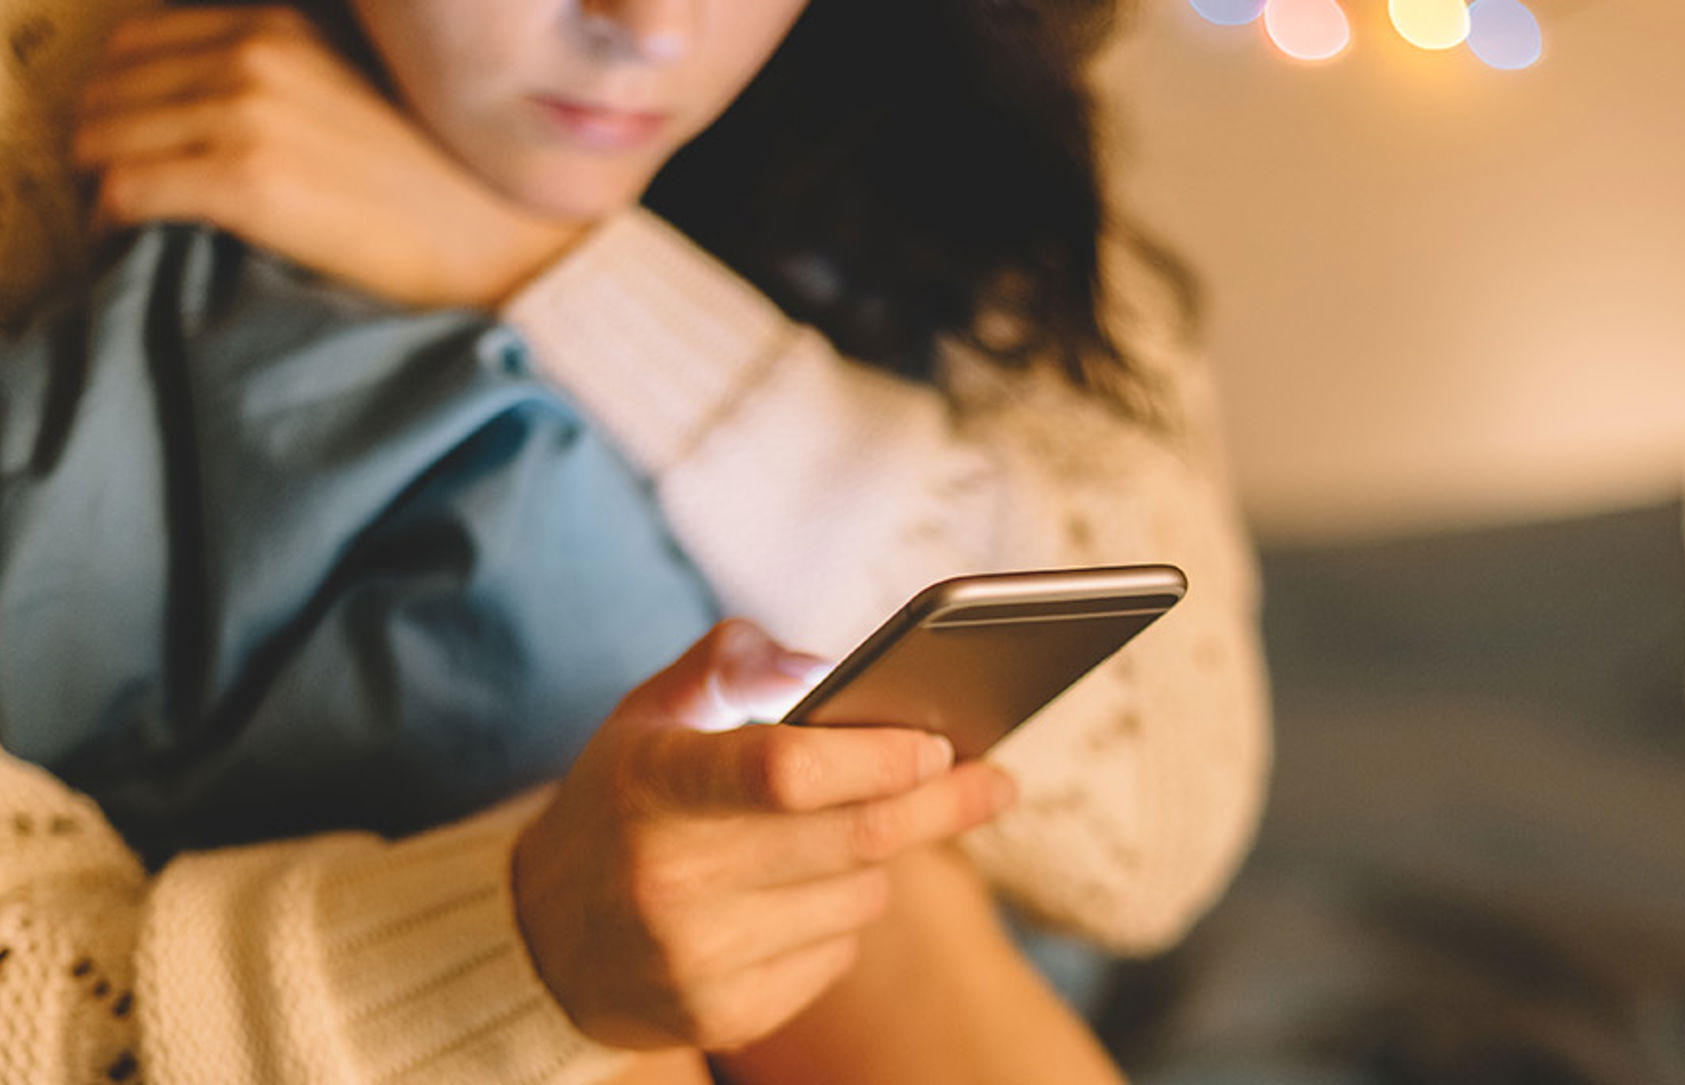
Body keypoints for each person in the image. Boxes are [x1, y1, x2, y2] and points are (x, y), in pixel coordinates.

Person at [0, 0, 1271, 1078]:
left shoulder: (935, 102)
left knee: (816, 797)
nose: (646, 31)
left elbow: (1157, 823)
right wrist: (508, 943)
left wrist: (538, 259)